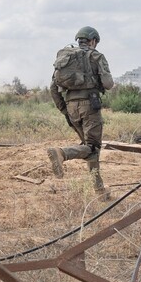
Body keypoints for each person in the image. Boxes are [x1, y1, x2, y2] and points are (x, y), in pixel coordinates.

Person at [47, 26, 114, 196]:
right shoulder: (96, 56)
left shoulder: (66, 58)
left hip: (71, 107)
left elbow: (53, 88)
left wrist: (65, 110)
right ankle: (62, 153)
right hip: (90, 105)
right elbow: (108, 84)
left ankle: (99, 190)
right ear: (93, 40)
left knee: (90, 149)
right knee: (92, 147)